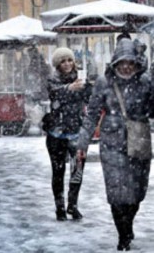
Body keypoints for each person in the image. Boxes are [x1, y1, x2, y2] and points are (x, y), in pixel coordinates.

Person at [77, 38, 154, 251]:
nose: (126, 66)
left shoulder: (146, 81)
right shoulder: (104, 83)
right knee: (117, 191)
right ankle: (123, 234)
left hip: (139, 140)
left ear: (136, 63)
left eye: (130, 62)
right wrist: (83, 142)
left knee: (137, 192)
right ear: (115, 63)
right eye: (122, 62)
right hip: (111, 143)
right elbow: (92, 114)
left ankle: (128, 223)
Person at [42, 47, 92, 221]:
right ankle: (60, 206)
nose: (67, 64)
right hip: (56, 134)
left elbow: (90, 99)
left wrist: (87, 87)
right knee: (58, 171)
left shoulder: (82, 77)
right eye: (62, 61)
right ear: (57, 64)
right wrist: (70, 88)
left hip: (77, 133)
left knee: (77, 170)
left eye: (69, 60)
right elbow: (56, 94)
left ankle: (73, 204)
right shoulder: (52, 79)